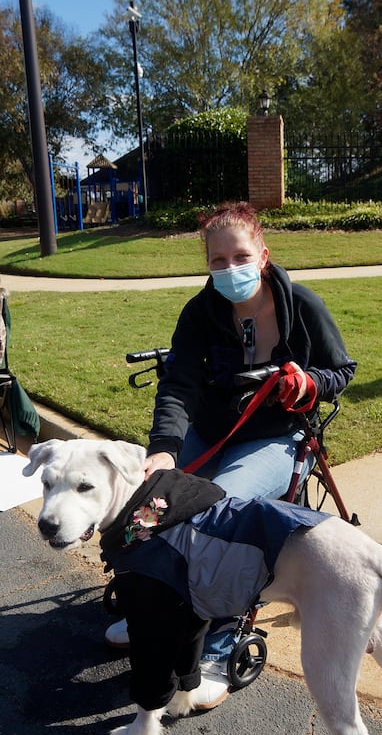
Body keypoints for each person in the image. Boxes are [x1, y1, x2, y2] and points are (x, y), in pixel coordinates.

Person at [105, 202, 357, 708]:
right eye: (217, 261)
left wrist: (308, 381)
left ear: (263, 256)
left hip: (275, 437)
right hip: (211, 430)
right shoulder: (199, 313)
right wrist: (164, 451)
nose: (229, 268)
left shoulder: (303, 305)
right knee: (153, 503)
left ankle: (217, 648)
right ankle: (158, 613)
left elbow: (341, 371)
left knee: (222, 514)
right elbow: (178, 384)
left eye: (239, 257)